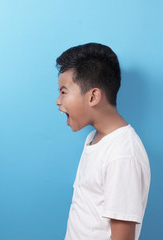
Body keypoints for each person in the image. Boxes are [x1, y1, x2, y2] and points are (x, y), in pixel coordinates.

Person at [55, 43, 150, 240]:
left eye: (63, 92)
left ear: (93, 96)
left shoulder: (122, 155)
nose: (58, 100)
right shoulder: (94, 139)